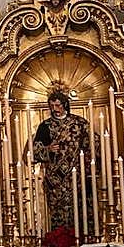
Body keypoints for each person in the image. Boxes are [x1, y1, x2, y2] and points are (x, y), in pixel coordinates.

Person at [32, 90, 90, 232]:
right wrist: (48, 149)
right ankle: (61, 239)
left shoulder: (80, 123)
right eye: (51, 106)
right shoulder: (45, 126)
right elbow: (34, 151)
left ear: (65, 104)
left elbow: (92, 147)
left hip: (78, 178)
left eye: (57, 105)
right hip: (56, 180)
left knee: (81, 212)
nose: (55, 109)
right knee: (59, 216)